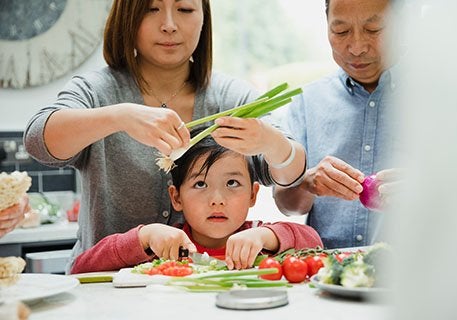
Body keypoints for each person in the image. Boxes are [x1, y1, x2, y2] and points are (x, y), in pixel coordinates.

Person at [23, 0, 306, 272]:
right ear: (128, 17)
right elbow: (38, 141)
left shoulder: (232, 98)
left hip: (194, 291)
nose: (169, 25)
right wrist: (119, 117)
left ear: (203, 18)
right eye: (151, 9)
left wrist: (270, 141)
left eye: (184, 9)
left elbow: (291, 171)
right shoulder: (98, 91)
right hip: (105, 289)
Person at [70, 129, 321, 273]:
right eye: (200, 184)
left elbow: (314, 242)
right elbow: (81, 267)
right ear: (176, 197)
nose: (217, 200)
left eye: (232, 183)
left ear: (253, 195)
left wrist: (267, 237)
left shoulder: (260, 241)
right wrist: (145, 235)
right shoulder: (165, 246)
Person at [274, 0, 402, 249]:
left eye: (374, 29)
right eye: (341, 31)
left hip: (413, 276)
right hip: (327, 275)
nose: (356, 48)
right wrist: (307, 182)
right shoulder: (307, 100)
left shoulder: (441, 102)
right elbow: (286, 205)